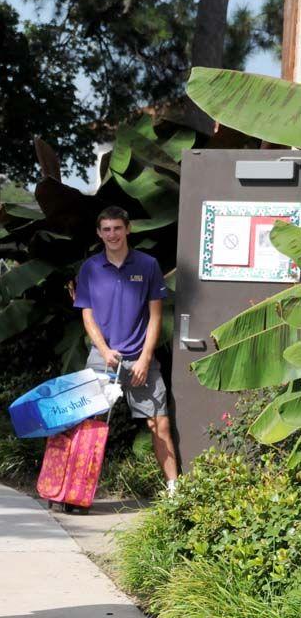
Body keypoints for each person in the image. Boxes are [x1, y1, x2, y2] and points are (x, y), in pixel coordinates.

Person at [72, 205, 178, 494]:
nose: (112, 234)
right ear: (99, 233)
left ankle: (174, 491)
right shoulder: (90, 268)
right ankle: (78, 492)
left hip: (141, 359)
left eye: (117, 228)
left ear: (128, 229)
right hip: (102, 358)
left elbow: (155, 316)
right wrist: (104, 351)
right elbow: (87, 315)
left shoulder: (148, 265)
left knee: (160, 424)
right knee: (88, 424)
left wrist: (144, 358)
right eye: (106, 229)